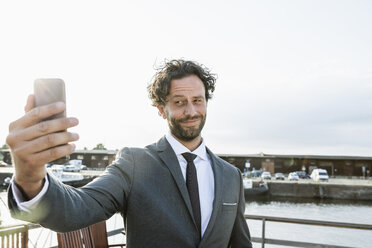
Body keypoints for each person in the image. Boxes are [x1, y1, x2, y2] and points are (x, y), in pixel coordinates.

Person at [7, 59, 252, 247]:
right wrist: (30, 179)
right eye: (179, 102)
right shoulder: (135, 163)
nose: (191, 111)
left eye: (197, 100)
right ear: (160, 108)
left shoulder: (231, 176)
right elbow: (79, 207)